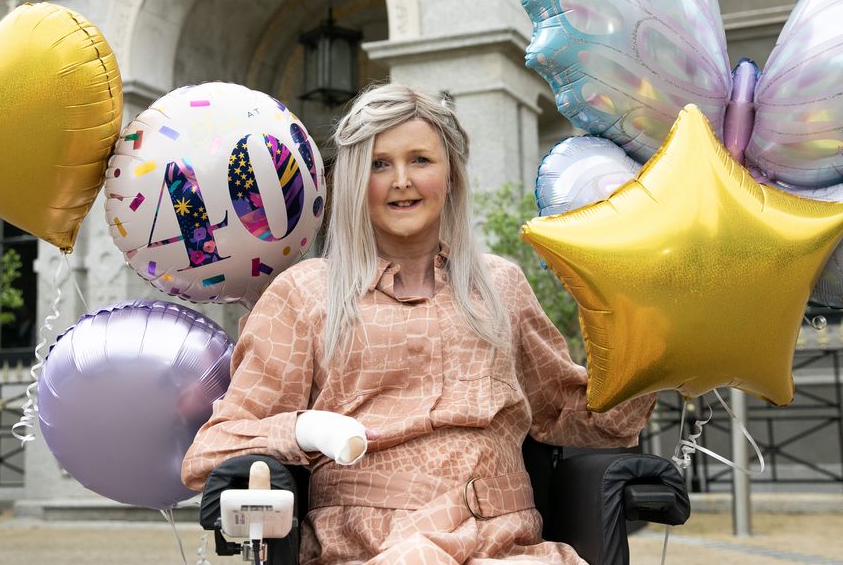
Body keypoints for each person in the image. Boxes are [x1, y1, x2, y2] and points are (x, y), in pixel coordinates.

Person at [181, 83, 656, 564]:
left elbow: (580, 418)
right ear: (350, 179)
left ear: (450, 175)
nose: (401, 180)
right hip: (369, 546)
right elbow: (213, 449)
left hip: (506, 543)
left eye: (421, 161)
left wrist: (648, 331)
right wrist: (308, 429)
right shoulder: (303, 294)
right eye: (378, 164)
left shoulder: (501, 287)